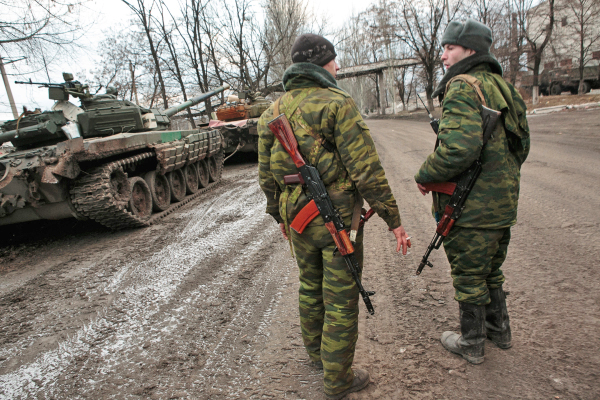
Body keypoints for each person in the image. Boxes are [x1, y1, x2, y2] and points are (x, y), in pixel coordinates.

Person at [258, 33, 411, 399]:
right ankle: (337, 379)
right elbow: (366, 170)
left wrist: (277, 216)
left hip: (296, 219)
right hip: (336, 222)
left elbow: (266, 176)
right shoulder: (337, 103)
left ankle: (317, 356)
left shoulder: (271, 110)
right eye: (335, 60)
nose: (338, 67)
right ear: (322, 64)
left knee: (310, 286)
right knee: (341, 295)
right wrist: (394, 220)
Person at [415, 19, 530, 364]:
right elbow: (521, 146)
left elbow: (458, 150)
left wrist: (424, 175)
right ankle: (500, 331)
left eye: (450, 48)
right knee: (491, 270)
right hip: (502, 206)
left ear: (471, 50)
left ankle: (472, 342)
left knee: (468, 275)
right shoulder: (504, 86)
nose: (444, 55)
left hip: (472, 207)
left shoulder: (463, 87)